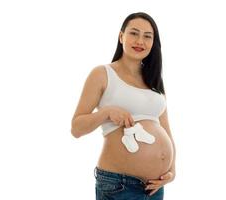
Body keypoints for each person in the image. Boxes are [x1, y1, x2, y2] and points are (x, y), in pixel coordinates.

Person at [71, 12, 176, 200]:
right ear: (121, 37)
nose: (140, 41)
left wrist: (172, 169)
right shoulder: (102, 74)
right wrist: (106, 112)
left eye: (147, 36)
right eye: (134, 33)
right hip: (119, 185)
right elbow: (76, 128)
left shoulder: (154, 80)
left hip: (155, 187)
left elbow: (166, 129)